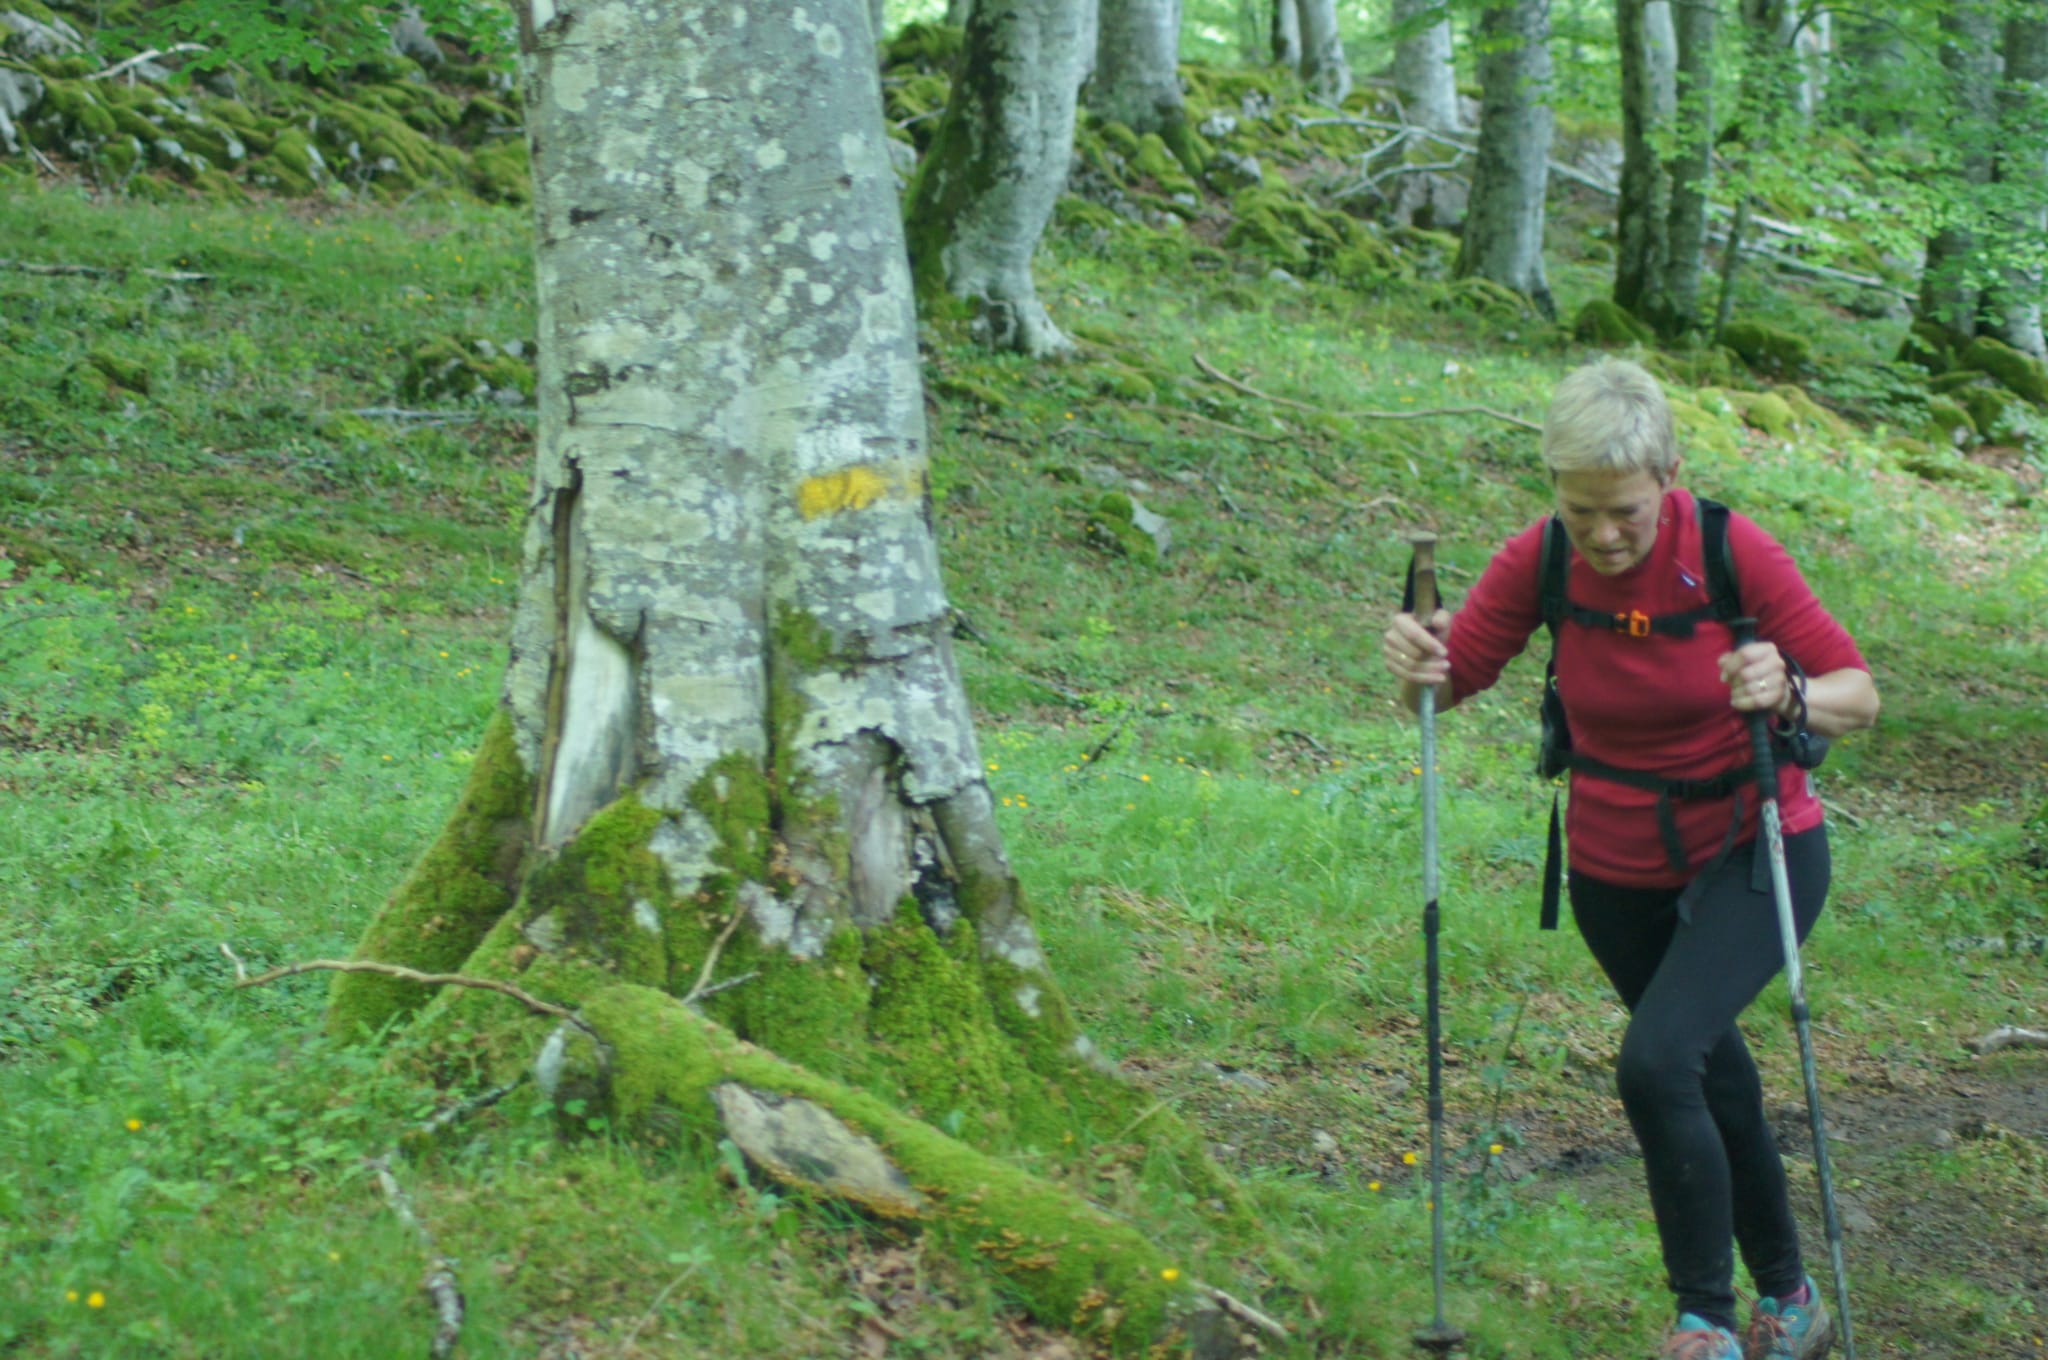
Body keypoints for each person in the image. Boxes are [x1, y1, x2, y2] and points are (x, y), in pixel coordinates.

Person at [1382, 358, 1879, 1360]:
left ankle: (1705, 1320)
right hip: (1613, 870)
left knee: (1657, 1062)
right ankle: (1791, 1301)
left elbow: (1856, 695)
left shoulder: (1731, 550)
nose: (1603, 535)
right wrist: (1416, 665)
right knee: (1706, 1072)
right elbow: (1451, 678)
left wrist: (1788, 691)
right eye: (1581, 511)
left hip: (1756, 850)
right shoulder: (1542, 558)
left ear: (1668, 477)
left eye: (1624, 512)